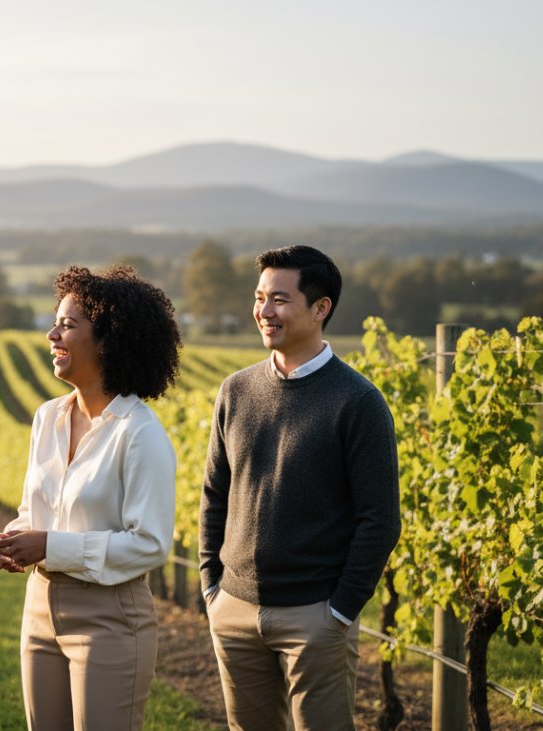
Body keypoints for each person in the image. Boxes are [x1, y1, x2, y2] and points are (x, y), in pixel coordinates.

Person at [199, 245, 400, 730]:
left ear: (321, 307)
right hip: (234, 609)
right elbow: (213, 495)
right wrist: (212, 587)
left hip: (315, 617)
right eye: (260, 297)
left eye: (280, 300)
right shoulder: (236, 390)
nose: (264, 311)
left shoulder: (359, 401)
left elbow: (380, 520)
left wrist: (340, 611)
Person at [0, 264, 181, 731]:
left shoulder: (139, 434)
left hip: (110, 618)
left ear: (110, 340)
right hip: (40, 605)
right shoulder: (47, 418)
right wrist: (17, 538)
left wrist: (49, 546)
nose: (52, 334)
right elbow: (36, 512)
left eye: (68, 325)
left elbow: (151, 544)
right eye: (56, 322)